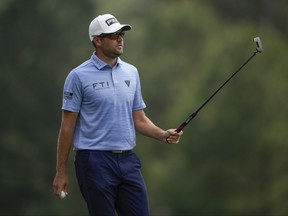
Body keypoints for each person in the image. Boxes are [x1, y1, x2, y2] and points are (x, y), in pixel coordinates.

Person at [52, 14, 183, 216]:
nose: (120, 39)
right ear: (97, 40)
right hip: (94, 160)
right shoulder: (78, 76)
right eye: (114, 35)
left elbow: (139, 119)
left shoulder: (131, 72)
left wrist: (162, 134)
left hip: (128, 160)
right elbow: (67, 127)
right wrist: (61, 171)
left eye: (121, 34)